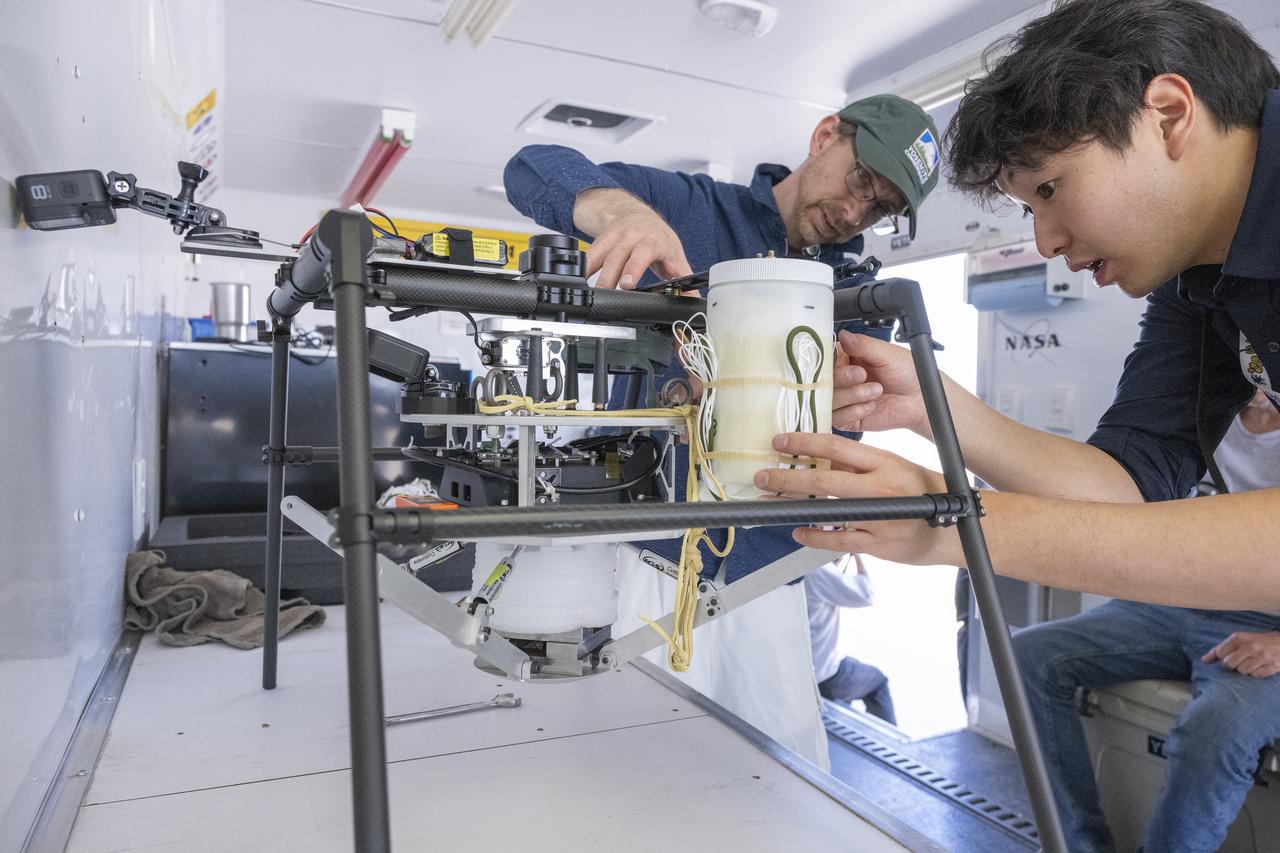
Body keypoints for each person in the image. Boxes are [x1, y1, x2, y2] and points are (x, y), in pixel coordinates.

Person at [753, 0, 1280, 615]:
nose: (1046, 243)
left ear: (1166, 115)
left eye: (1050, 188)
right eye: (1031, 210)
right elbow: (1126, 488)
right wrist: (933, 404)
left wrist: (959, 522)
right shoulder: (1197, 279)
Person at [504, 95, 940, 765]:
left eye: (880, 208)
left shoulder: (855, 294)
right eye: (860, 180)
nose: (857, 213)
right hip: (655, 560)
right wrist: (622, 212)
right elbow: (532, 167)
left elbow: (831, 450)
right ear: (827, 135)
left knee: (781, 780)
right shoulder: (691, 210)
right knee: (639, 770)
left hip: (767, 574)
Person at [1014, 388, 1280, 852]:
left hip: (1264, 625)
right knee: (1028, 656)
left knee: (1212, 731)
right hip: (1171, 604)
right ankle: (1077, 845)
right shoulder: (1197, 411)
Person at [805, 555, 897, 725]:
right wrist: (857, 554)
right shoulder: (818, 570)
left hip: (798, 672)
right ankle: (895, 742)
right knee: (878, 682)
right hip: (823, 677)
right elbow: (866, 594)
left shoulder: (791, 568)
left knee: (850, 662)